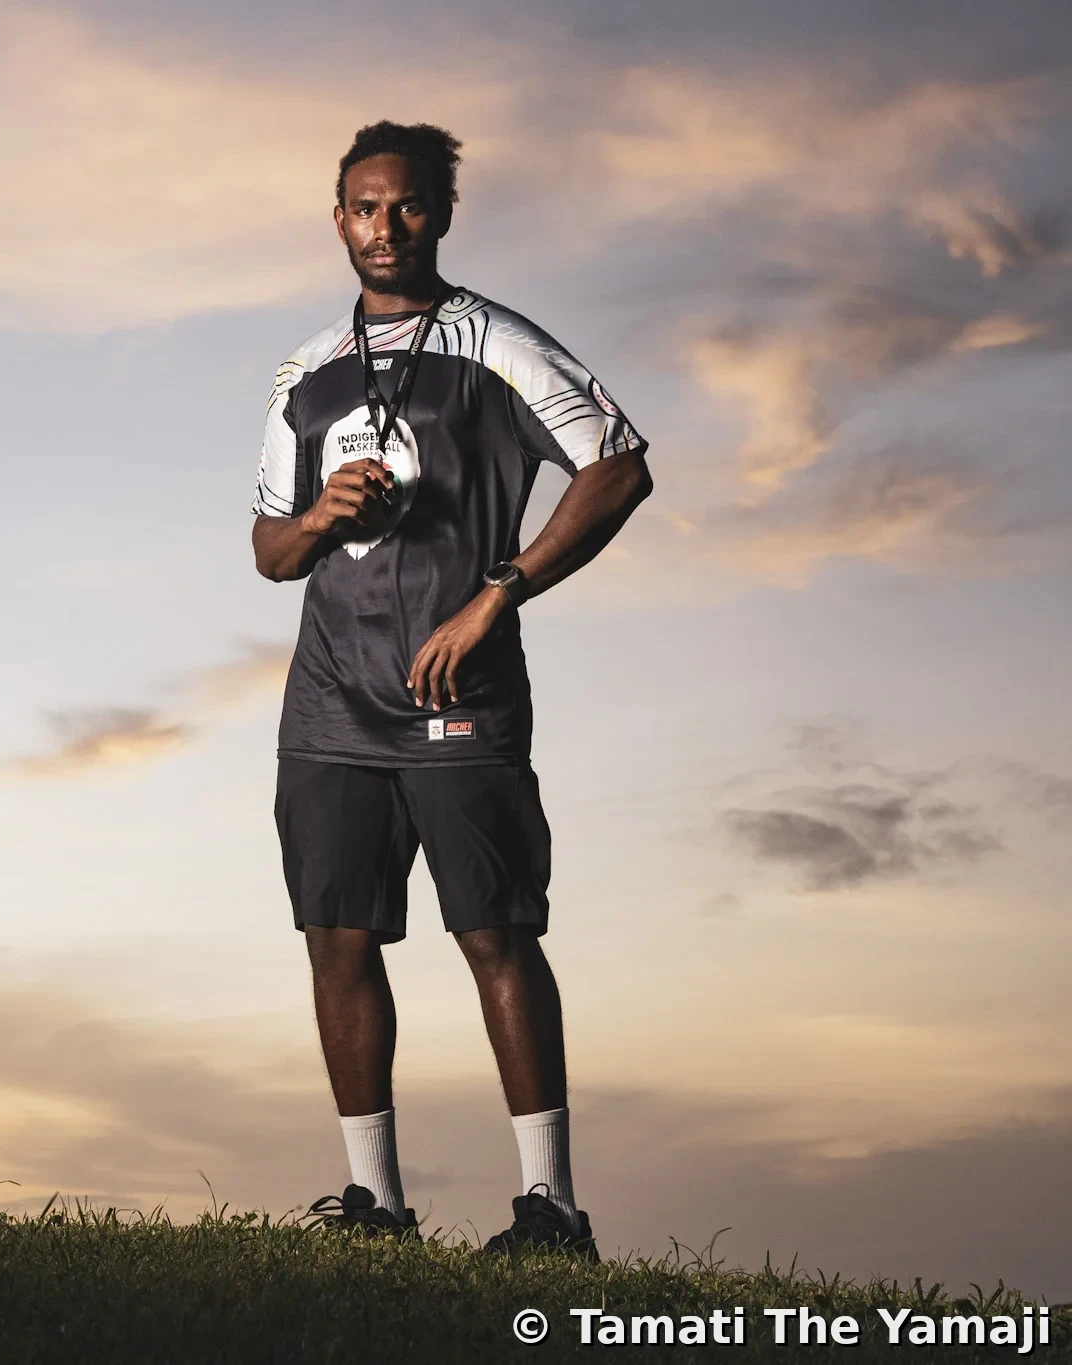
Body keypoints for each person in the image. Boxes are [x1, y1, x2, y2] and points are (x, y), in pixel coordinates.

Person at [252, 120, 654, 1257]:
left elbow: (618, 465)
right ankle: (373, 1207)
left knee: (492, 933)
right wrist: (320, 517)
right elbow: (268, 553)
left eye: (409, 206)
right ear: (338, 218)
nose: (386, 228)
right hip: (329, 700)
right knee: (335, 936)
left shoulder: (496, 342)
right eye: (365, 208)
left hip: (457, 689)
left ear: (440, 213)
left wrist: (498, 591)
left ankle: (552, 1212)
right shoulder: (302, 374)